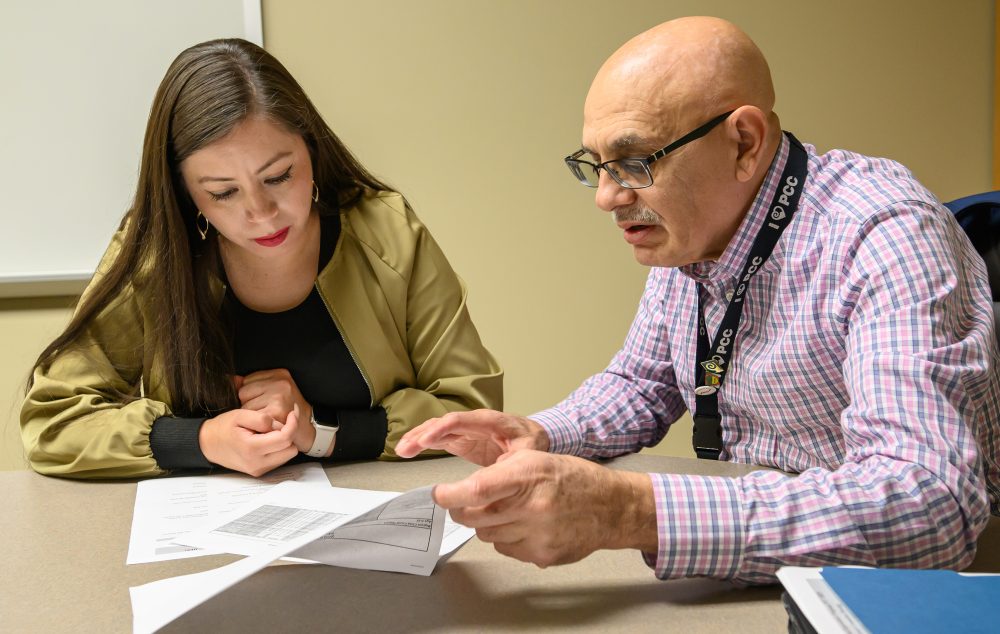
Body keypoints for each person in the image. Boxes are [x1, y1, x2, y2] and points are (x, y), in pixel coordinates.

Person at [396, 17, 1000, 585]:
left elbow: (928, 503)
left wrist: (633, 511)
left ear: (743, 141)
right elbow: (640, 383)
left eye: (633, 162)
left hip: (899, 585)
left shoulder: (885, 234)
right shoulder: (696, 228)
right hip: (764, 564)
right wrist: (540, 433)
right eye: (596, 165)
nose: (606, 197)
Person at [20, 38, 502, 479]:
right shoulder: (155, 254)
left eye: (278, 176)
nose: (262, 214)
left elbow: (472, 408)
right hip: (202, 541)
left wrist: (320, 430)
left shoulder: (387, 232)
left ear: (311, 150)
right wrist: (201, 441)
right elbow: (53, 422)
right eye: (224, 192)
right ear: (187, 195)